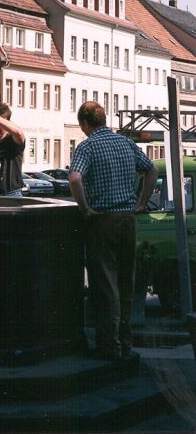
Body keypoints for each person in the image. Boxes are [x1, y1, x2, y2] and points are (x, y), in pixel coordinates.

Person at [69, 101, 158, 360]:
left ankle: (110, 345)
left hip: (102, 221)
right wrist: (141, 202)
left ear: (84, 123)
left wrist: (85, 208)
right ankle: (126, 342)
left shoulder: (87, 146)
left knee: (105, 284)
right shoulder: (126, 143)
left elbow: (75, 178)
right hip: (127, 219)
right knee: (125, 281)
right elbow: (151, 170)